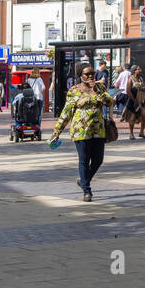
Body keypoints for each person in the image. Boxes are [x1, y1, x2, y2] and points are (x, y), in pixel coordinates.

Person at [51, 64, 114, 201]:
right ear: (81, 76)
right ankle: (87, 191)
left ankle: (84, 180)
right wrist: (57, 131)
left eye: (92, 73)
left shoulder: (100, 88)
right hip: (81, 131)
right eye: (87, 74)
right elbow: (66, 112)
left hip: (98, 130)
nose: (91, 76)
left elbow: (109, 101)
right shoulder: (74, 91)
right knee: (84, 160)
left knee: (98, 160)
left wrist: (95, 90)